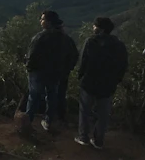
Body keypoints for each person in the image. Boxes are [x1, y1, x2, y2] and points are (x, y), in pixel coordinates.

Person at [74, 17, 128, 150]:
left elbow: (83, 62)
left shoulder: (91, 42)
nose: (93, 27)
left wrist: (80, 76)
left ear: (100, 28)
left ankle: (83, 137)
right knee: (103, 114)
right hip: (108, 84)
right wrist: (117, 80)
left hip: (89, 82)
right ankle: (98, 140)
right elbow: (123, 65)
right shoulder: (119, 45)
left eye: (94, 26)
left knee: (85, 110)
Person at [25, 10, 70, 132]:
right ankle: (49, 121)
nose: (40, 21)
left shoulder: (40, 37)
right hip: (55, 73)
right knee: (52, 95)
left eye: (42, 19)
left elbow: (32, 55)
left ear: (48, 23)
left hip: (38, 72)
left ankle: (27, 121)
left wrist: (29, 68)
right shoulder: (63, 37)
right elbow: (71, 55)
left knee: (34, 96)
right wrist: (65, 70)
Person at [58, 25, 79, 123]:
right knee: (61, 93)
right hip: (63, 72)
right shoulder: (68, 40)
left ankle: (50, 115)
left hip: (50, 72)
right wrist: (69, 68)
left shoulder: (43, 38)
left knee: (49, 93)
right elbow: (75, 55)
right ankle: (60, 115)